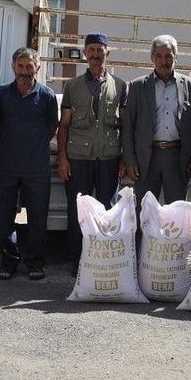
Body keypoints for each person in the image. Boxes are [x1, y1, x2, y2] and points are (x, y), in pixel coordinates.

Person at [57, 32, 127, 273]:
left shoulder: (120, 85)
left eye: (100, 49)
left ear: (107, 52)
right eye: (92, 50)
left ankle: (103, 258)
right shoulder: (72, 86)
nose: (96, 54)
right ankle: (78, 260)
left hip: (108, 157)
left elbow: (124, 125)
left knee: (108, 209)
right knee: (79, 211)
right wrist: (63, 158)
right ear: (85, 54)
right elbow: (64, 124)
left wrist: (124, 159)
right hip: (78, 159)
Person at [0, 48, 58, 280]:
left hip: (37, 168)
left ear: (37, 68)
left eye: (30, 66)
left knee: (38, 218)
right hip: (7, 166)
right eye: (21, 66)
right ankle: (8, 261)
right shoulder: (1, 95)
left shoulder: (47, 96)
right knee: (5, 218)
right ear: (13, 67)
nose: (25, 71)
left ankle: (35, 262)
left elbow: (52, 128)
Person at [122, 35, 191, 204]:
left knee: (177, 213)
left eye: (168, 56)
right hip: (147, 159)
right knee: (144, 213)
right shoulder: (138, 86)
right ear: (152, 58)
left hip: (177, 158)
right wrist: (129, 160)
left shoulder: (190, 85)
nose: (163, 61)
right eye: (158, 56)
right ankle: (142, 233)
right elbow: (128, 126)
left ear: (175, 57)